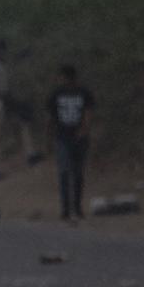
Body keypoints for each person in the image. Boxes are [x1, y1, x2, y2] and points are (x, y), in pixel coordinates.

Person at [0, 38, 40, 179]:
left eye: (3, 50)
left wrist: (22, 55)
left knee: (23, 123)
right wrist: (13, 103)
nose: (3, 52)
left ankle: (31, 154)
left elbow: (11, 61)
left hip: (3, 103)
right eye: (1, 50)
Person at [48, 65, 95, 223]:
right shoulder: (56, 94)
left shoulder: (84, 93)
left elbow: (88, 113)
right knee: (64, 173)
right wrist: (51, 136)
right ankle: (65, 209)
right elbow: (52, 117)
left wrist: (84, 130)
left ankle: (77, 207)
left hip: (78, 136)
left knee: (77, 173)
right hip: (62, 137)